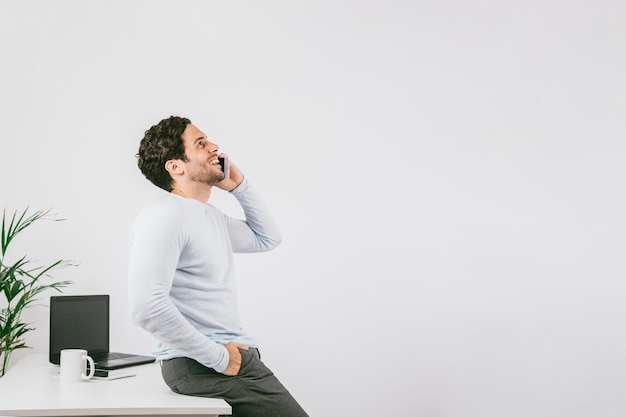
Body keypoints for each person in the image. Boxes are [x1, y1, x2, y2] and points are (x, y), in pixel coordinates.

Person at [128, 115, 308, 417]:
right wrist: (219, 358)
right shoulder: (164, 215)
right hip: (204, 365)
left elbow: (268, 238)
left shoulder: (209, 217)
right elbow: (146, 307)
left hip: (220, 362)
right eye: (201, 143)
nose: (214, 147)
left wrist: (239, 186)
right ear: (176, 166)